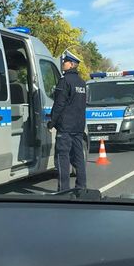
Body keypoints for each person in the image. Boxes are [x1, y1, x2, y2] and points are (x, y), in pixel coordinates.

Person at [47, 50, 87, 192]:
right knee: (78, 158)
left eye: (64, 62)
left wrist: (51, 122)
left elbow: (59, 104)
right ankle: (81, 187)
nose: (62, 64)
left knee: (62, 158)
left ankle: (63, 190)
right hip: (78, 126)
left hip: (65, 127)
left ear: (71, 64)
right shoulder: (82, 83)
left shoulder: (64, 81)